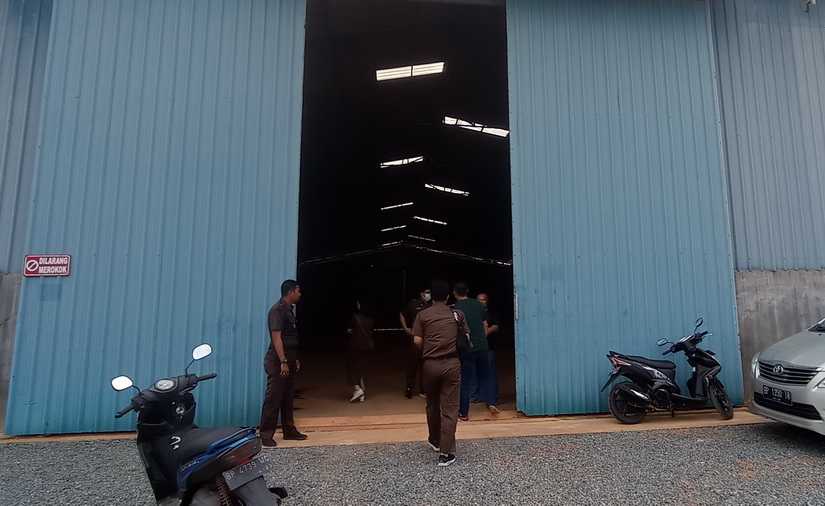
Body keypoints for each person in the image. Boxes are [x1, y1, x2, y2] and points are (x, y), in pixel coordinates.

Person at [413, 280, 466, 467]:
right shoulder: (457, 314)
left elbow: (417, 340)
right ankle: (446, 453)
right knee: (450, 409)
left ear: (431, 296)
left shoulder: (422, 315)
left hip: (430, 365)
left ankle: (435, 440)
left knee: (432, 404)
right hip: (451, 364)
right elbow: (466, 337)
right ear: (448, 296)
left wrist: (428, 350)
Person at [259, 279, 308, 447]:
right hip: (278, 362)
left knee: (287, 397)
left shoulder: (289, 310)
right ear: (290, 292)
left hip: (289, 359)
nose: (300, 294)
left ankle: (289, 430)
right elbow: (277, 338)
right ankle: (266, 434)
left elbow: (290, 338)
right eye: (298, 291)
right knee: (273, 398)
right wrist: (283, 361)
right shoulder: (277, 311)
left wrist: (294, 359)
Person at [453, 282, 498, 419]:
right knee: (487, 376)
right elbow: (485, 325)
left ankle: (464, 413)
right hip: (483, 346)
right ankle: (491, 403)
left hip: (467, 348)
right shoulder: (478, 305)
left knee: (465, 380)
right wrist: (482, 340)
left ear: (454, 293)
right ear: (467, 291)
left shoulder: (455, 308)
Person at [400, 287, 432, 398]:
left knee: (426, 366)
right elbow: (402, 314)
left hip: (428, 340)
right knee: (412, 365)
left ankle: (424, 390)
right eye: (426, 292)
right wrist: (406, 328)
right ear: (421, 293)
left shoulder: (433, 305)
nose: (428, 294)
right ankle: (409, 388)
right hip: (415, 339)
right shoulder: (413, 304)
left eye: (429, 292)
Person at [346, 299, 375, 403]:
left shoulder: (355, 317)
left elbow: (350, 330)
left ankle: (357, 388)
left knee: (352, 366)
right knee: (362, 368)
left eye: (358, 303)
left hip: (355, 346)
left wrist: (351, 331)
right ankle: (362, 392)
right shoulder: (371, 319)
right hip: (367, 347)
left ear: (360, 305)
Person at [477, 293, 500, 407]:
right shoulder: (475, 313)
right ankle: (480, 396)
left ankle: (492, 399)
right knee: (478, 373)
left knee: (490, 373)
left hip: (489, 347)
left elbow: (496, 326)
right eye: (479, 300)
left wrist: (485, 333)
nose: (481, 302)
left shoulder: (491, 313)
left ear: (487, 301)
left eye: (484, 300)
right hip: (476, 349)